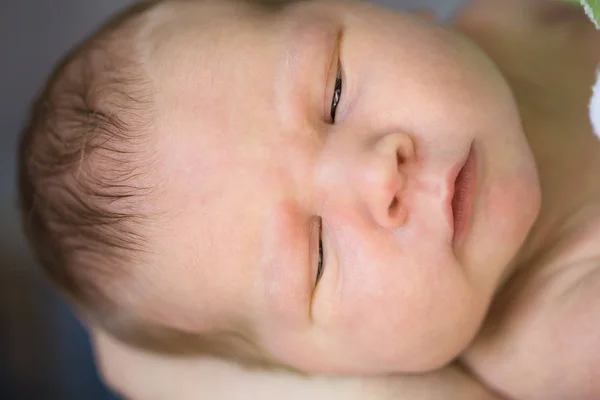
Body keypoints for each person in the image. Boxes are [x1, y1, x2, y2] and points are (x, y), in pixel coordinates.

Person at [18, 0, 600, 398]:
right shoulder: (556, 340)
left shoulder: (520, 18)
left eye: (335, 92)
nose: (377, 175)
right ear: (335, 374)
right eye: (318, 256)